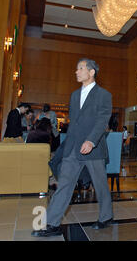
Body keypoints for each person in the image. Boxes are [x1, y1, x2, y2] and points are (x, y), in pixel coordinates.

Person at [32, 58, 113, 237]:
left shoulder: (103, 94)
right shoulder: (74, 95)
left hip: (94, 148)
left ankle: (106, 216)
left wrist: (91, 141)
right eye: (77, 69)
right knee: (64, 185)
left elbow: (102, 120)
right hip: (73, 148)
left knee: (100, 185)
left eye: (81, 68)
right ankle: (51, 224)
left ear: (92, 72)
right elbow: (74, 123)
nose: (76, 72)